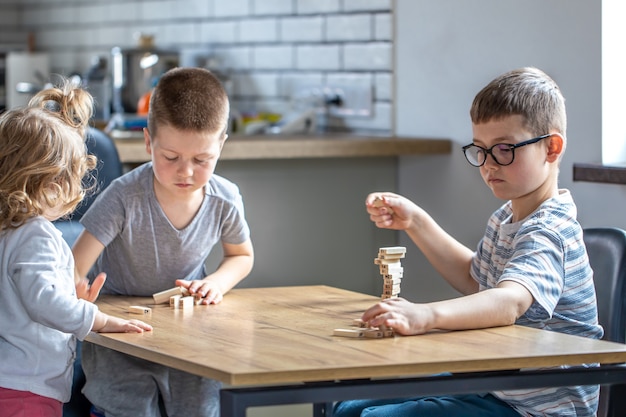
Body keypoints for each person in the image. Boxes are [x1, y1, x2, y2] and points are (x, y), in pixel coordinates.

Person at [334, 67, 603, 417]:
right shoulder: (506, 218)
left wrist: (426, 315)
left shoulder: (550, 230)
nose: (488, 165)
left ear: (551, 148)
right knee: (349, 407)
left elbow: (508, 302)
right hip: (494, 388)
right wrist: (415, 221)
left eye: (505, 149)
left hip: (536, 408)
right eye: (480, 150)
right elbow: (476, 281)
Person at [72, 67, 254, 417]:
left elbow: (241, 256)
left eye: (202, 160)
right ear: (147, 142)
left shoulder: (225, 198)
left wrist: (215, 283)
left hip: (190, 338)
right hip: (122, 338)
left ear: (221, 145)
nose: (186, 172)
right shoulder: (123, 197)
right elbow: (75, 267)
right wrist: (78, 291)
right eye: (171, 157)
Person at [0, 80, 152, 417]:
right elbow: (41, 302)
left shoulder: (8, 231)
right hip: (27, 389)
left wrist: (72, 301)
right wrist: (95, 318)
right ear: (54, 184)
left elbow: (22, 300)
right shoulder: (35, 234)